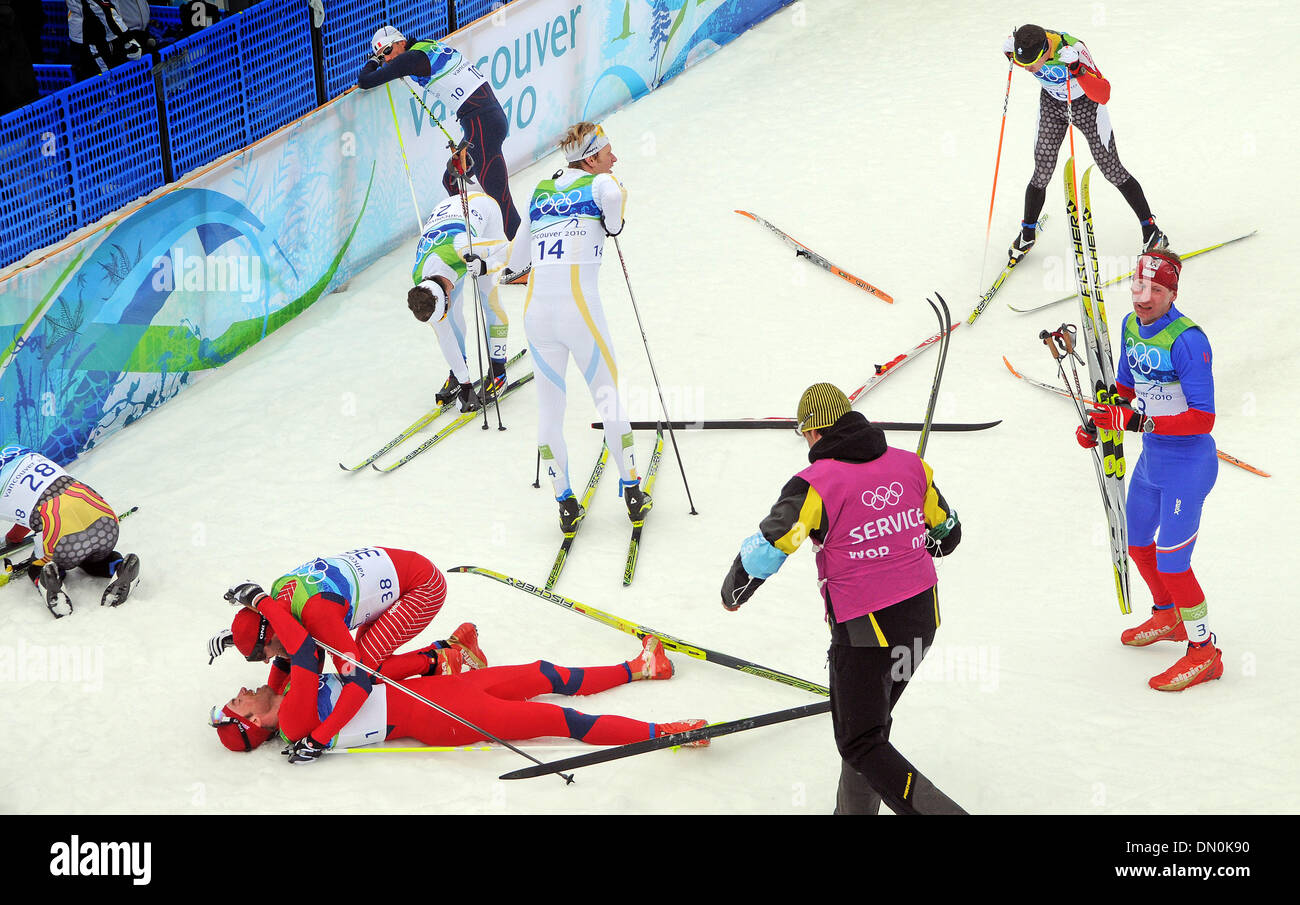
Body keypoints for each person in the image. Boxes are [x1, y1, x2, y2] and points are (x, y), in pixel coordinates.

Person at [719, 384, 966, 815]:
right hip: (923, 622)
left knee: (860, 741)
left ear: (813, 433)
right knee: (869, 730)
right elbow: (948, 535)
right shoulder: (912, 466)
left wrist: (735, 590)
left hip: (866, 631)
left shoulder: (817, 483)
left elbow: (773, 544)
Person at [213, 620, 704, 761]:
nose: (241, 688)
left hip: (447, 689)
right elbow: (297, 651)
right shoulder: (295, 721)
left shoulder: (278, 689)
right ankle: (668, 734)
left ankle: (642, 667)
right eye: (239, 702)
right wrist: (263, 600)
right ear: (255, 723)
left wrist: (237, 635)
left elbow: (274, 649)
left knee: (544, 673)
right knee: (564, 723)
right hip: (440, 718)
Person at [1078, 249, 1221, 691]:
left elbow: (1204, 417)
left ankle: (1205, 652)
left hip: (1188, 465)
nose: (1145, 297)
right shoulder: (1129, 325)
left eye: (1156, 290)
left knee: (1173, 563)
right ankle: (1168, 616)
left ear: (1172, 293)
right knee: (1137, 544)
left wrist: (1138, 422)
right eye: (1139, 286)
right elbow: (1124, 386)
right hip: (1152, 460)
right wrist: (1101, 421)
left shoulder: (1188, 340)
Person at [505, 122, 649, 534]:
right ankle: (633, 493)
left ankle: (564, 501)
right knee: (609, 400)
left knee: (550, 412)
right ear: (590, 160)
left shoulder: (539, 191)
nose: (614, 159)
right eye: (607, 154)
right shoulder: (603, 185)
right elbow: (615, 219)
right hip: (580, 312)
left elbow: (516, 263)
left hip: (536, 314)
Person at [1002, 24, 1167, 264]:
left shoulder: (1073, 48)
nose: (1028, 70)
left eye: (1032, 64)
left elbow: (1104, 93)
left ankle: (1151, 229)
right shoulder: (1028, 48)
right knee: (1042, 170)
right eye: (1023, 63)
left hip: (1086, 105)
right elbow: (1020, 59)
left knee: (1112, 170)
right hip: (1052, 106)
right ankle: (1028, 233)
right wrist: (1009, 52)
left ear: (1045, 51)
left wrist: (1077, 69)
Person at [213, 547, 461, 706]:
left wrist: (316, 738)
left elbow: (350, 676)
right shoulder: (280, 595)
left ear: (271, 633)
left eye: (260, 655)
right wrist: (237, 639)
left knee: (368, 668)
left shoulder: (316, 614)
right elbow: (292, 648)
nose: (266, 661)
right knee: (364, 654)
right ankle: (450, 649)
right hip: (397, 577)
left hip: (424, 587)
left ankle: (445, 657)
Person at [357, 25, 522, 250]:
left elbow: (365, 81)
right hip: (484, 121)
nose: (387, 59)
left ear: (400, 42)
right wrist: (380, 58)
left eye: (386, 51)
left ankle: (524, 259)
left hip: (482, 125)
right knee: (452, 180)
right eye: (381, 56)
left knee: (501, 198)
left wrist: (372, 61)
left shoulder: (410, 58)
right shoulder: (426, 45)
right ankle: (471, 239)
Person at [406, 150, 513, 410]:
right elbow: (443, 334)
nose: (448, 307)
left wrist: (486, 264)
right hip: (445, 217)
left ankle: (498, 371)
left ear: (445, 294)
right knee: (451, 321)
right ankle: (458, 372)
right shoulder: (421, 281)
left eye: (447, 303)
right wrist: (465, 385)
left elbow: (508, 247)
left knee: (489, 299)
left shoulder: (463, 246)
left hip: (482, 213)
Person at [0, 446, 140, 617]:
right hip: (104, 518)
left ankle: (50, 578)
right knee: (92, 559)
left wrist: (12, 539)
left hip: (63, 537)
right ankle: (120, 566)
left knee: (38, 567)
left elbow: (25, 515)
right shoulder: (22, 452)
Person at [67, 0, 142, 81]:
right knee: (106, 81)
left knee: (91, 77)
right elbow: (104, 11)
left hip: (84, 34)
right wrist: (128, 40)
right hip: (93, 38)